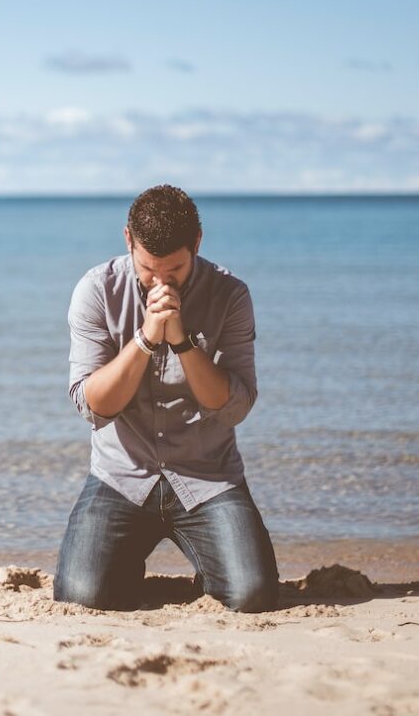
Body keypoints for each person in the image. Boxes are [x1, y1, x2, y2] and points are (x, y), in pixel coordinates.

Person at [53, 184, 281, 613]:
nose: (160, 282)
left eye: (174, 270)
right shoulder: (97, 290)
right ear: (128, 241)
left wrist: (181, 342)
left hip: (207, 477)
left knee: (253, 596)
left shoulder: (231, 295)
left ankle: (210, 564)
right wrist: (144, 339)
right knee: (80, 599)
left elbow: (233, 407)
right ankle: (122, 566)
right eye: (147, 268)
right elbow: (92, 405)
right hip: (120, 477)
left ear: (197, 243)